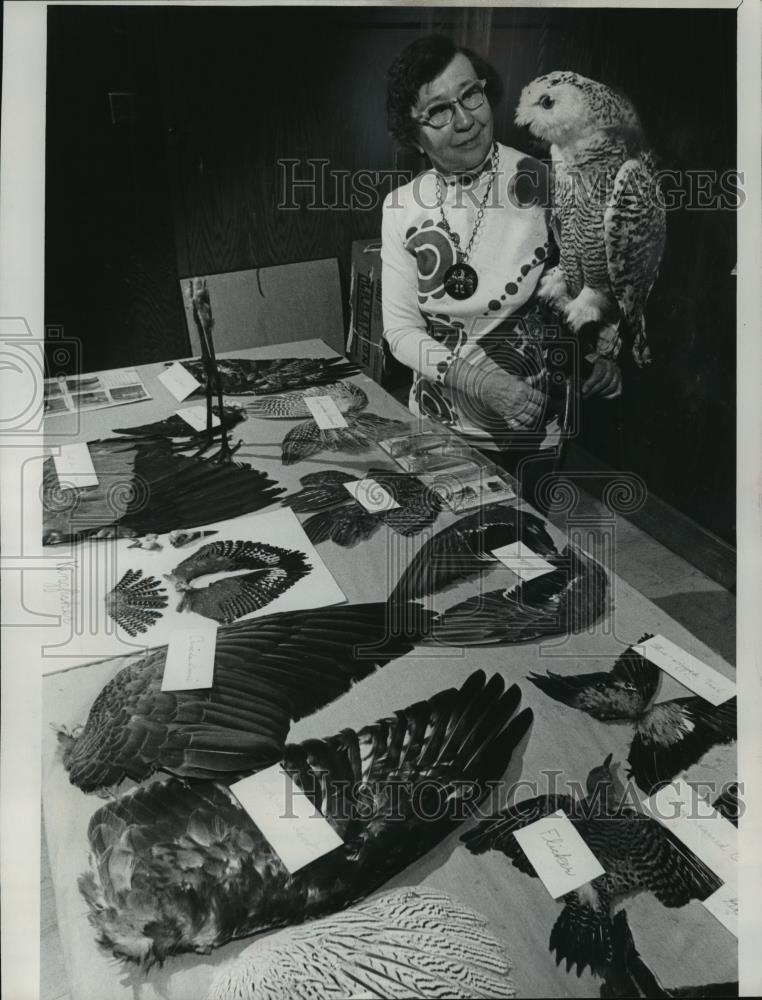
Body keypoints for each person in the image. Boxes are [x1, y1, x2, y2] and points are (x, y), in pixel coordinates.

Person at [381, 35, 622, 505]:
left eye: (471, 93)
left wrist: (606, 348)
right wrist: (481, 382)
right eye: (439, 110)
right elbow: (401, 332)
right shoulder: (400, 209)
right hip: (440, 429)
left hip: (533, 429)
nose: (467, 118)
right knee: (452, 553)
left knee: (525, 555)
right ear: (413, 134)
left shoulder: (549, 182)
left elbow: (594, 278)